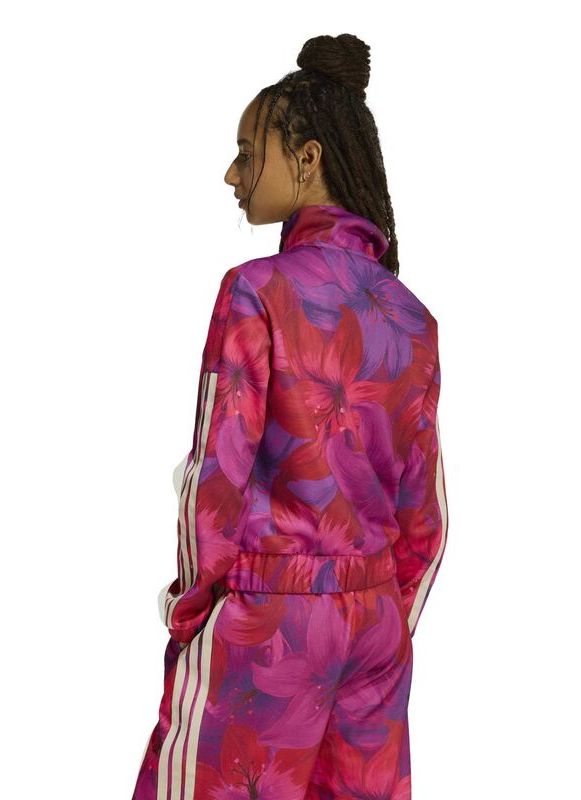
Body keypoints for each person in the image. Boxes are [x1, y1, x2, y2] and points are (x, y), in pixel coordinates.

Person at [131, 33, 448, 800]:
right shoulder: (412, 318)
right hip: (375, 626)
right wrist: (382, 611)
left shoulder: (256, 291)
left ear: (307, 158)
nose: (232, 174)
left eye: (248, 152)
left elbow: (216, 478)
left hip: (268, 624)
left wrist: (190, 609)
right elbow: (427, 515)